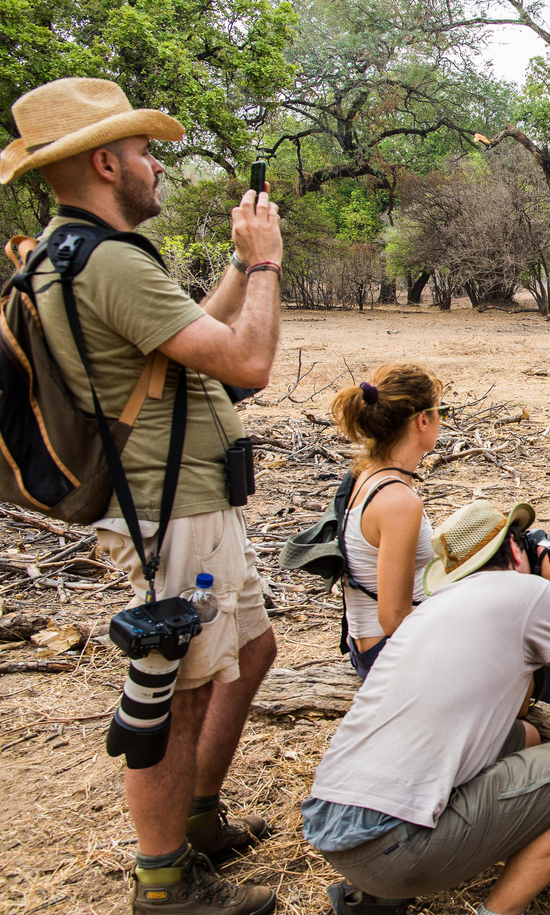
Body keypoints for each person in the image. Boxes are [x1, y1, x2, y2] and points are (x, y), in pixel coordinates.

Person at [0, 78, 283, 912]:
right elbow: (247, 363)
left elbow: (186, 340)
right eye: (145, 153)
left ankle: (196, 820)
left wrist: (235, 267)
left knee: (252, 651)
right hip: (169, 511)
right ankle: (165, 881)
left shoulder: (73, 254)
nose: (156, 167)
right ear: (106, 162)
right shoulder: (110, 261)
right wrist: (265, 264)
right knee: (181, 688)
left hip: (185, 499)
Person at [302, 499, 550, 915]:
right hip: (393, 851)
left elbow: (516, 712)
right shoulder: (530, 593)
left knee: (523, 736)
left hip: (334, 831)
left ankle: (373, 902)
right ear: (512, 550)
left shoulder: (431, 609)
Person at [328, 364, 444, 678]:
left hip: (367, 645)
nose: (440, 420)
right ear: (423, 420)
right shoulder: (398, 501)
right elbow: (394, 619)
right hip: (389, 657)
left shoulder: (364, 475)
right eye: (439, 412)